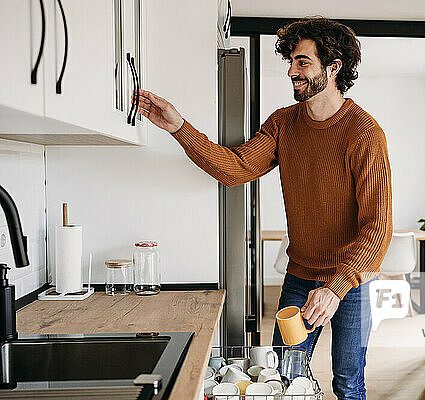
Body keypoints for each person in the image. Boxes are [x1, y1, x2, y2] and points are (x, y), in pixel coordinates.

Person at [137, 17, 393, 400]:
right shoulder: (284, 123)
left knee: (348, 384)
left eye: (303, 62)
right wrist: (178, 127)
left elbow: (378, 228)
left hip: (351, 283)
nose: (291, 71)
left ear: (334, 66)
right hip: (301, 276)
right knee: (280, 381)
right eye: (291, 61)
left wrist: (336, 289)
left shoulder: (364, 133)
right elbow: (235, 168)